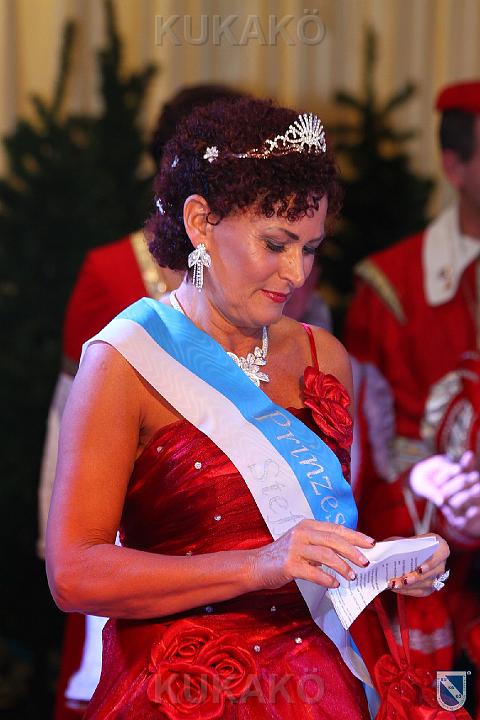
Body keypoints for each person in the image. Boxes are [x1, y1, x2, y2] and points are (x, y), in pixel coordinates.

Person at [46, 97, 450, 719]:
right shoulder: (123, 361)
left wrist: (387, 565)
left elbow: (314, 524)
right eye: (276, 243)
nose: (296, 274)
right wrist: (258, 566)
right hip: (188, 689)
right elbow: (74, 574)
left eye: (310, 248)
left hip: (326, 682)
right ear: (200, 222)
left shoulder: (323, 356)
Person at [40, 84, 245, 720]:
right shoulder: (111, 272)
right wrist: (66, 535)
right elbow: (68, 418)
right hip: (136, 541)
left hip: (250, 543)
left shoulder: (271, 269)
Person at [345, 81, 480, 690]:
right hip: (431, 565)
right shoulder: (391, 288)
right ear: (453, 165)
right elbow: (363, 453)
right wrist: (432, 488)